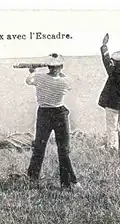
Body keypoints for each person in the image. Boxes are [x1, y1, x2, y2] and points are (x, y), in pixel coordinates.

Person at [25, 53, 82, 190]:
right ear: (61, 67)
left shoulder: (39, 77)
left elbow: (28, 80)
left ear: (48, 66)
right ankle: (68, 182)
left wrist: (33, 71)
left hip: (44, 113)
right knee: (63, 150)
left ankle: (32, 177)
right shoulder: (65, 81)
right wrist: (58, 70)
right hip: (59, 114)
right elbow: (68, 82)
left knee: (39, 147)